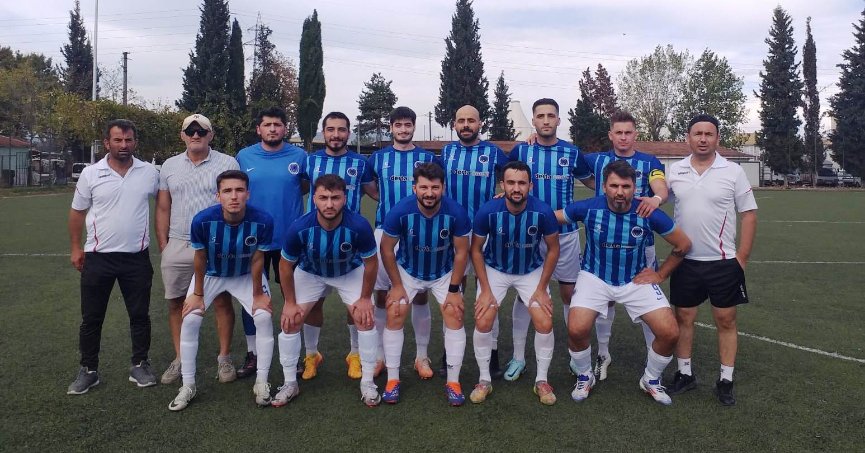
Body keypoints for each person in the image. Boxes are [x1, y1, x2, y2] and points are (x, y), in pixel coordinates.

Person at [560, 160, 691, 406]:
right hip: (594, 277)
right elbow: (548, 218)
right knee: (576, 329)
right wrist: (510, 202)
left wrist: (660, 274)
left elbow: (683, 244)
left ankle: (651, 379)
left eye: (626, 186)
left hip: (635, 279)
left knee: (670, 333)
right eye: (614, 186)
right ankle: (585, 375)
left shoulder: (647, 213)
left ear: (634, 187)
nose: (620, 192)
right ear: (604, 187)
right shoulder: (587, 208)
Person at [665, 114, 758, 406]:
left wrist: (741, 257)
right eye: (698, 133)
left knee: (726, 320)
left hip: (723, 262)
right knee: (684, 318)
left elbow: (749, 214)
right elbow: (658, 199)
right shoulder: (675, 170)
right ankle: (685, 374)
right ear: (688, 138)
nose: (703, 139)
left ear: (717, 138)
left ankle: (725, 380)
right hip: (685, 261)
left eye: (709, 134)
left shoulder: (733, 171)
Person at [168, 170, 275, 411]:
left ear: (248, 194)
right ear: (218, 196)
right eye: (227, 191)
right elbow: (200, 257)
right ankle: (188, 385)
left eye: (239, 190)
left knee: (263, 317)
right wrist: (198, 294)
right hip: (211, 274)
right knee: (191, 319)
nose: (233, 196)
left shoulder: (263, 220)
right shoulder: (202, 220)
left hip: (245, 275)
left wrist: (258, 294)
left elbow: (258, 258)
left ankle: (262, 382)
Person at [67, 119, 160, 394]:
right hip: (98, 258)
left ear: (135, 142)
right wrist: (76, 248)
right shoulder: (91, 174)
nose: (124, 145)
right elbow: (77, 212)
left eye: (128, 140)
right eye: (118, 140)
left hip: (136, 258)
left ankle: (140, 364)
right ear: (107, 143)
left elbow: (164, 204)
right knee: (92, 318)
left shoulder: (149, 172)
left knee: (140, 315)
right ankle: (88, 370)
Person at [505, 98, 594, 382]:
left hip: (565, 234)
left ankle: (574, 356)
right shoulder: (522, 149)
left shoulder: (572, 152)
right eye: (540, 116)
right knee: (524, 295)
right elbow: (508, 179)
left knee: (569, 294)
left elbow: (593, 182)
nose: (546, 120)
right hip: (528, 233)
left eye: (551, 116)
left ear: (558, 120)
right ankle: (518, 357)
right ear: (533, 120)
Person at [274, 175, 380, 407]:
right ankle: (290, 382)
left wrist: (365, 298)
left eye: (335, 198)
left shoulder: (359, 225)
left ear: (345, 198)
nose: (329, 204)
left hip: (349, 271)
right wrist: (289, 303)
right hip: (310, 272)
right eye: (323, 198)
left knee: (365, 318)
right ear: (314, 199)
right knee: (291, 321)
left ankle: (368, 382)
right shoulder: (300, 227)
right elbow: (284, 265)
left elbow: (371, 264)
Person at [582, 111, 669, 381]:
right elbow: (565, 166)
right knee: (603, 298)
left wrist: (656, 199)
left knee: (647, 297)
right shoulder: (595, 160)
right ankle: (603, 354)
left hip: (640, 243)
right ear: (610, 135)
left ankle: (652, 355)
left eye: (628, 132)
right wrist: (533, 138)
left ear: (635, 134)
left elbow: (660, 187)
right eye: (618, 132)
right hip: (602, 241)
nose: (623, 137)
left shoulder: (650, 161)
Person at [156, 114, 241, 385]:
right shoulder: (169, 166)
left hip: (216, 243)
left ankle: (224, 357)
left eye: (201, 131)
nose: (195, 135)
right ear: (182, 135)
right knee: (176, 302)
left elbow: (234, 200)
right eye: (190, 131)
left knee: (221, 301)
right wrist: (164, 245)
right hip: (178, 243)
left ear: (210, 135)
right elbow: (163, 207)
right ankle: (181, 358)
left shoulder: (228, 163)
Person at [379, 163, 471, 406]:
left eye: (435, 187)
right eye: (424, 187)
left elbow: (462, 252)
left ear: (443, 188)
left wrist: (454, 290)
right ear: (414, 188)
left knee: (455, 313)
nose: (429, 193)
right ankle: (392, 379)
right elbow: (386, 249)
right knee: (395, 310)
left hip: (442, 271)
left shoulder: (456, 212)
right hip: (408, 270)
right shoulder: (400, 211)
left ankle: (453, 382)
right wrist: (396, 285)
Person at [469, 161, 560, 405]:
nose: (516, 188)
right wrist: (485, 290)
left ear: (531, 185)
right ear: (502, 185)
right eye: (511, 183)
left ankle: (541, 380)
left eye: (522, 183)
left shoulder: (543, 212)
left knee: (544, 320)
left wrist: (541, 289)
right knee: (484, 318)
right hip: (495, 269)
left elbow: (553, 249)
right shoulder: (488, 211)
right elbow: (476, 250)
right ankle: (484, 379)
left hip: (530, 270)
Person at [300, 111, 378, 381]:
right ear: (323, 132)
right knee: (313, 304)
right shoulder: (310, 161)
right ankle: (312, 355)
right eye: (330, 129)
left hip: (350, 243)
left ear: (348, 133)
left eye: (341, 129)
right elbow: (299, 189)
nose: (336, 135)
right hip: (314, 245)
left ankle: (354, 354)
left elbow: (376, 193)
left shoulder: (360, 162)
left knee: (354, 306)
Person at [368, 106, 443, 380]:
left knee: (420, 293)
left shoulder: (427, 157)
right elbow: (370, 187)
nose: (403, 129)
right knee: (381, 294)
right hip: (384, 231)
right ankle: (379, 356)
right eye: (398, 125)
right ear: (391, 128)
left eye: (407, 125)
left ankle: (421, 356)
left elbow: (437, 188)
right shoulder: (378, 157)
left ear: (413, 127)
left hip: (419, 231)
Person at [235, 107, 308, 379]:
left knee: (294, 297)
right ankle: (253, 353)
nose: (273, 129)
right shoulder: (244, 156)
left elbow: (303, 187)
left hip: (290, 239)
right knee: (252, 296)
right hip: (254, 240)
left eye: (278, 124)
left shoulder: (299, 156)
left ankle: (295, 354)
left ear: (285, 128)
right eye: (267, 124)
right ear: (259, 129)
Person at [440, 104, 510, 379]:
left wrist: (504, 192)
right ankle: (448, 350)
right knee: (453, 291)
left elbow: (514, 175)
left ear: (480, 123)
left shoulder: (493, 152)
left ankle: (492, 352)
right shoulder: (446, 152)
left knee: (487, 293)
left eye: (471, 120)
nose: (466, 125)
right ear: (454, 125)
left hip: (485, 232)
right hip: (453, 231)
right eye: (461, 121)